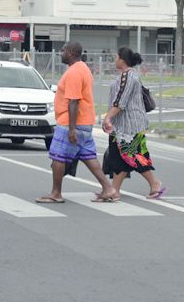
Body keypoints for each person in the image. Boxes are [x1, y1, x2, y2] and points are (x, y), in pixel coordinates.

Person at [37, 42, 115, 204]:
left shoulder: (74, 72)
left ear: (71, 53)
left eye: (63, 50)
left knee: (58, 156)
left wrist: (71, 129)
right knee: (88, 155)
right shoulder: (83, 68)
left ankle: (56, 193)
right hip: (84, 121)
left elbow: (74, 101)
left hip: (71, 122)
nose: (61, 53)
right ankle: (108, 188)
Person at [102, 47, 165, 199]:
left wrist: (107, 117)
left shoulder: (129, 77)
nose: (115, 60)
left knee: (135, 155)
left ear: (122, 60)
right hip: (121, 125)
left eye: (116, 57)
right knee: (118, 157)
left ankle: (155, 183)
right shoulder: (125, 76)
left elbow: (121, 101)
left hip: (131, 125)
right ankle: (114, 191)